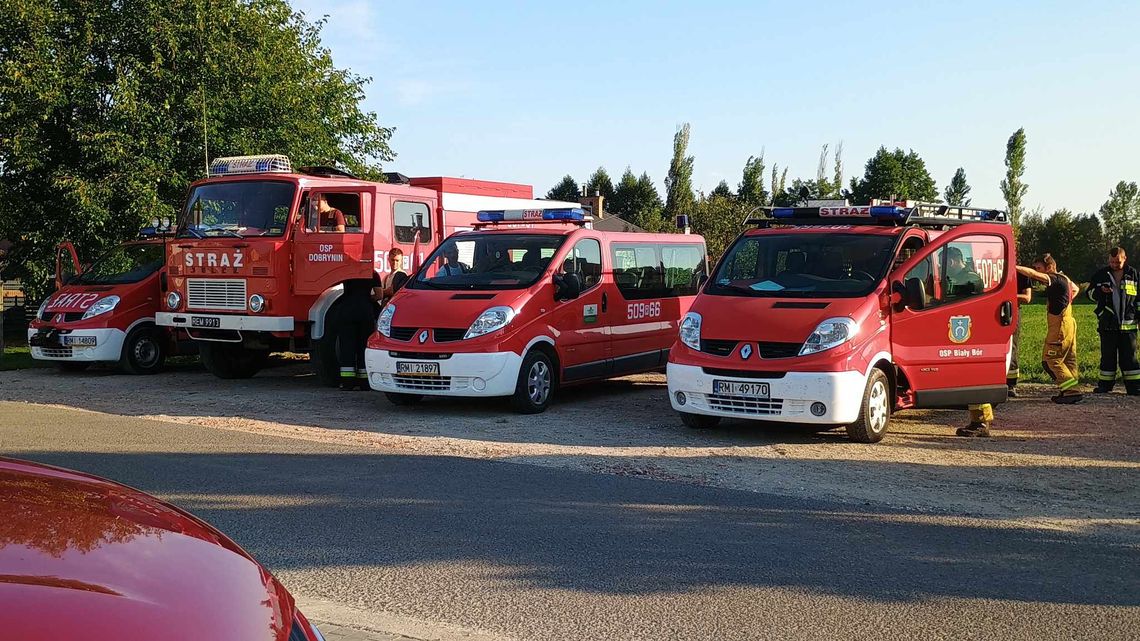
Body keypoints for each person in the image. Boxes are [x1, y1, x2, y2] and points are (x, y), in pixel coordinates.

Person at [1017, 254, 1083, 404]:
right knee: (1068, 360)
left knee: (1050, 359)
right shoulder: (1064, 279)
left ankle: (1070, 390)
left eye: (1039, 268)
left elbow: (1033, 275)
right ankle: (1071, 389)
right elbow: (1075, 289)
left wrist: (1013, 268)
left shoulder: (1054, 278)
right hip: (1069, 323)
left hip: (1059, 325)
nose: (1036, 271)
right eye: (1035, 268)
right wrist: (1066, 298)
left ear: (1049, 267)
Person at [1087, 247, 1140, 395]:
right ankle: (1105, 386)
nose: (1114, 264)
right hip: (1108, 323)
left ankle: (1134, 387)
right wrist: (1099, 292)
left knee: (1130, 358)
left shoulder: (1134, 275)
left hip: (1128, 324)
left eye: (1117, 262)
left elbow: (1139, 299)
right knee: (1108, 356)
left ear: (1125, 258)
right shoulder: (1101, 275)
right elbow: (1089, 294)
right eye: (1111, 261)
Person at [335, 274, 379, 390]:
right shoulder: (373, 274)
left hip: (347, 312)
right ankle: (364, 383)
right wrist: (366, 299)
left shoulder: (348, 272)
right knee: (363, 347)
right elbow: (379, 295)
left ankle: (347, 383)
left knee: (347, 347)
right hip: (365, 312)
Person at [1006, 271, 1034, 397]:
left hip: (1011, 311)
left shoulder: (1022, 275)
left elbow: (1027, 297)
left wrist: (1006, 295)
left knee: (1012, 347)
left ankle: (1011, 384)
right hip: (992, 310)